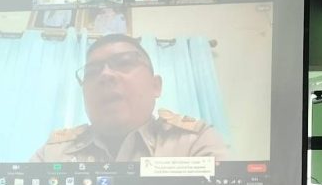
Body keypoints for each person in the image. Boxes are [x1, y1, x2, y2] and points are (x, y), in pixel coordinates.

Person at [31, 34, 229, 162]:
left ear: (155, 86)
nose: (105, 75)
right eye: (92, 72)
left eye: (124, 63)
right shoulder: (53, 154)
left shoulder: (193, 142)